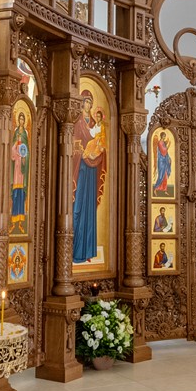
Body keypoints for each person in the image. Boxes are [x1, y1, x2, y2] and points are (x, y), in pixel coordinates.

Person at [71, 91, 106, 264]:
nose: (88, 105)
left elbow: (102, 147)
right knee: (77, 207)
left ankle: (88, 252)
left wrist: (96, 153)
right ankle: (74, 251)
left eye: (90, 102)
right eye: (86, 101)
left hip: (91, 171)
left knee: (89, 210)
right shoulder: (77, 122)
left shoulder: (95, 123)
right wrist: (82, 153)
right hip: (79, 170)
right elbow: (72, 145)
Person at [9, 117, 29, 234]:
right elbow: (12, 153)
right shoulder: (15, 133)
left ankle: (21, 222)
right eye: (20, 119)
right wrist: (16, 143)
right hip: (16, 168)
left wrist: (25, 158)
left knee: (21, 194)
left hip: (22, 170)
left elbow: (27, 151)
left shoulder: (26, 133)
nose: (21, 121)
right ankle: (13, 221)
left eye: (23, 119)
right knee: (15, 194)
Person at [152, 131, 173, 195]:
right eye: (163, 136)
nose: (164, 137)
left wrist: (169, 158)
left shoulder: (163, 142)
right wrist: (168, 145)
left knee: (165, 176)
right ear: (161, 136)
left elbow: (166, 153)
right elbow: (163, 151)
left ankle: (165, 190)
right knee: (161, 175)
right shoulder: (160, 143)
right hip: (161, 161)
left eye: (165, 136)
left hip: (165, 160)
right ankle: (155, 189)